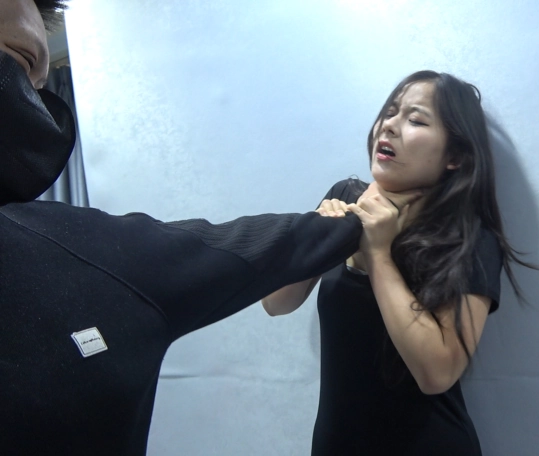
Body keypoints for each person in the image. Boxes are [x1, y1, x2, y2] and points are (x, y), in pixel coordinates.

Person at [0, 1, 363, 454]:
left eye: (417, 117)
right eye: (22, 62)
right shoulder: (72, 250)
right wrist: (345, 228)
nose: (37, 106)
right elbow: (275, 297)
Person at [262, 70, 532, 455]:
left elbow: (437, 374)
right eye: (390, 113)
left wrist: (378, 254)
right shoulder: (346, 197)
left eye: (416, 120)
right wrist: (313, 237)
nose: (389, 126)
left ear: (455, 156)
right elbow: (276, 303)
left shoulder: (470, 240)